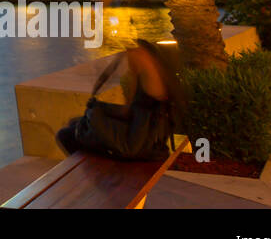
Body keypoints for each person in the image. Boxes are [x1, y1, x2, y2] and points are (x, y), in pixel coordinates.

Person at [56, 39, 184, 161]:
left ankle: (95, 171)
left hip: (138, 145)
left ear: (140, 53)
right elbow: (134, 111)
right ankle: (93, 169)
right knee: (75, 125)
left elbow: (142, 110)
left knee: (66, 135)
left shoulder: (151, 79)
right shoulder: (157, 71)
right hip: (142, 138)